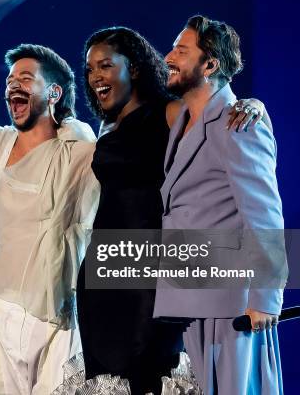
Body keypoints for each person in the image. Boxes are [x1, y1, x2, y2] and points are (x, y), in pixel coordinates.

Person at [76, 26, 268, 394]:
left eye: (104, 65)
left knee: (150, 374)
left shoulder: (169, 112)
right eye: (89, 70)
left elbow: (214, 111)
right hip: (101, 275)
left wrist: (253, 105)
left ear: (132, 68)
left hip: (149, 277)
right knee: (105, 381)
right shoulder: (104, 127)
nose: (95, 75)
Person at [0, 44, 100, 395]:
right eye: (10, 79)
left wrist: (253, 106)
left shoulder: (78, 152)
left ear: (54, 92)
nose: (14, 84)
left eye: (26, 78)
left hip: (58, 320)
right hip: (0, 311)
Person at [154, 15, 285, 394]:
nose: (168, 57)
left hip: (233, 308)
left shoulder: (238, 121)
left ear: (210, 65)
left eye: (181, 50)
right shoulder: (182, 121)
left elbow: (264, 215)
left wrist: (266, 299)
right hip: (192, 303)